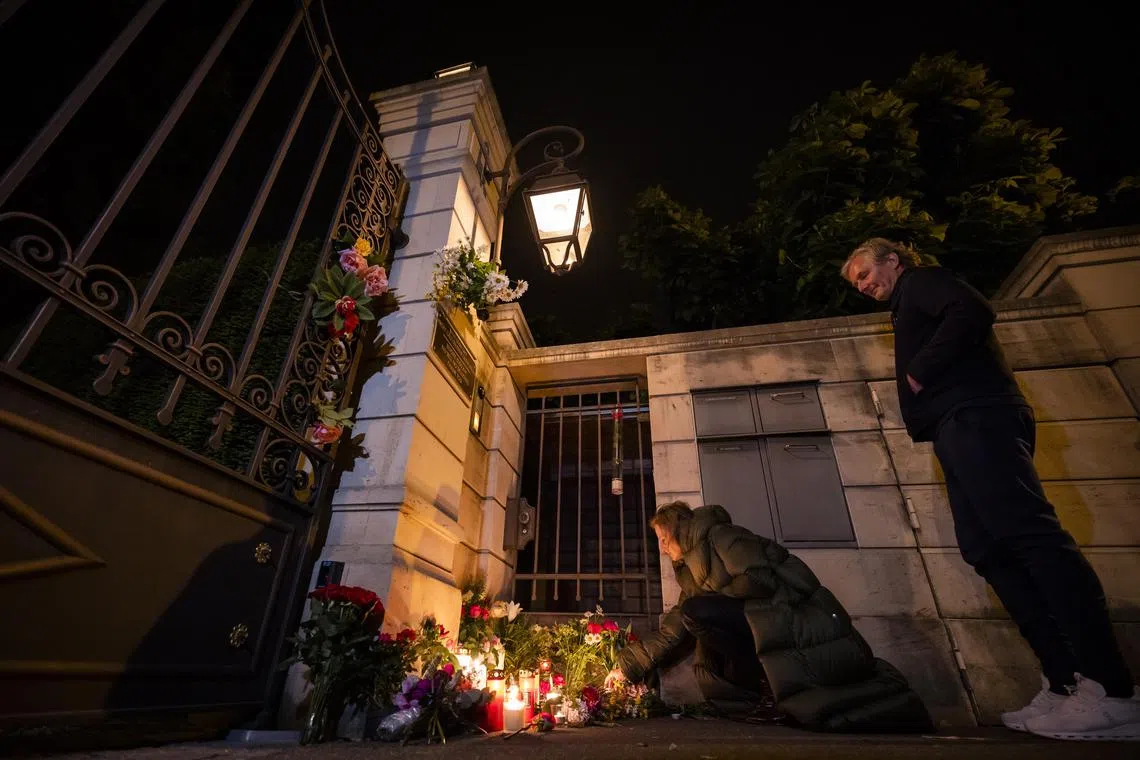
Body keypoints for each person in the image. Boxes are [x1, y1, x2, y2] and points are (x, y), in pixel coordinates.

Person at [840, 237, 1140, 741]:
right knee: (986, 549)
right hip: (956, 425)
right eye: (857, 283)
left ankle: (1111, 690)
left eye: (866, 274)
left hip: (978, 415)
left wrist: (919, 371)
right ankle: (1066, 681)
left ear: (893, 260)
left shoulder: (921, 281)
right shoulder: (905, 301)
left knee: (1031, 537)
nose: (864, 286)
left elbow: (972, 308)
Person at [607, 501, 933, 733]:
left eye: (663, 540)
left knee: (700, 612)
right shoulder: (692, 571)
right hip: (760, 621)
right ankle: (766, 691)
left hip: (789, 615)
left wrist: (715, 598)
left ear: (677, 529)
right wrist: (627, 666)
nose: (662, 549)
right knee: (695, 614)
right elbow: (676, 626)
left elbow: (759, 578)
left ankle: (766, 688)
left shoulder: (720, 536)